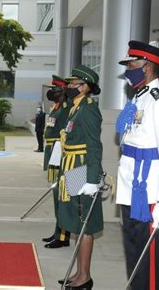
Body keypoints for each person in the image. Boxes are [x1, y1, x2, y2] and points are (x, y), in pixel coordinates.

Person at [116, 41, 159, 290]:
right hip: (132, 187)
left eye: (132, 64)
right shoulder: (139, 98)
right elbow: (129, 141)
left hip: (151, 192)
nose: (128, 69)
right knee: (135, 252)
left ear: (147, 66)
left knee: (151, 258)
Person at [56, 65, 103, 289]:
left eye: (75, 84)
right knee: (77, 220)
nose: (70, 87)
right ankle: (79, 273)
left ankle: (85, 277)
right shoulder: (77, 107)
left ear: (86, 87)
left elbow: (95, 145)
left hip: (82, 169)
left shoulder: (89, 109)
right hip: (73, 167)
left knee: (85, 223)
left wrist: (93, 180)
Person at [42, 75, 71, 249]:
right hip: (52, 152)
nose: (52, 92)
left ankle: (63, 235)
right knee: (56, 197)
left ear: (63, 91)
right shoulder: (57, 107)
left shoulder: (66, 109)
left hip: (59, 152)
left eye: (56, 89)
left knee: (62, 196)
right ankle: (57, 231)